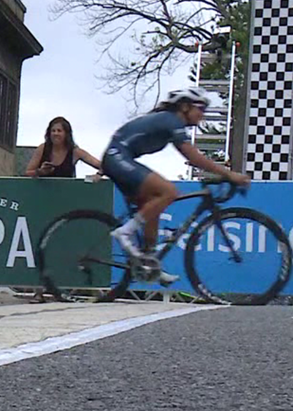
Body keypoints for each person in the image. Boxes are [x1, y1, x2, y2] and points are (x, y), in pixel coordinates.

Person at [102, 87, 249, 284]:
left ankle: (148, 261)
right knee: (169, 191)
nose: (202, 114)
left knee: (153, 205)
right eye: (200, 108)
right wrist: (229, 174)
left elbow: (192, 157)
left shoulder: (170, 122)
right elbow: (192, 156)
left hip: (119, 158)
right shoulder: (171, 120)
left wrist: (223, 173)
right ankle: (124, 232)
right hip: (117, 157)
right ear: (185, 107)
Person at [25, 117, 102, 178]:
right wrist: (40, 172)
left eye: (59, 131)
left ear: (66, 134)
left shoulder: (75, 152)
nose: (56, 133)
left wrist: (98, 175)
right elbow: (27, 173)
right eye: (53, 131)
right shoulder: (42, 148)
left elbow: (103, 166)